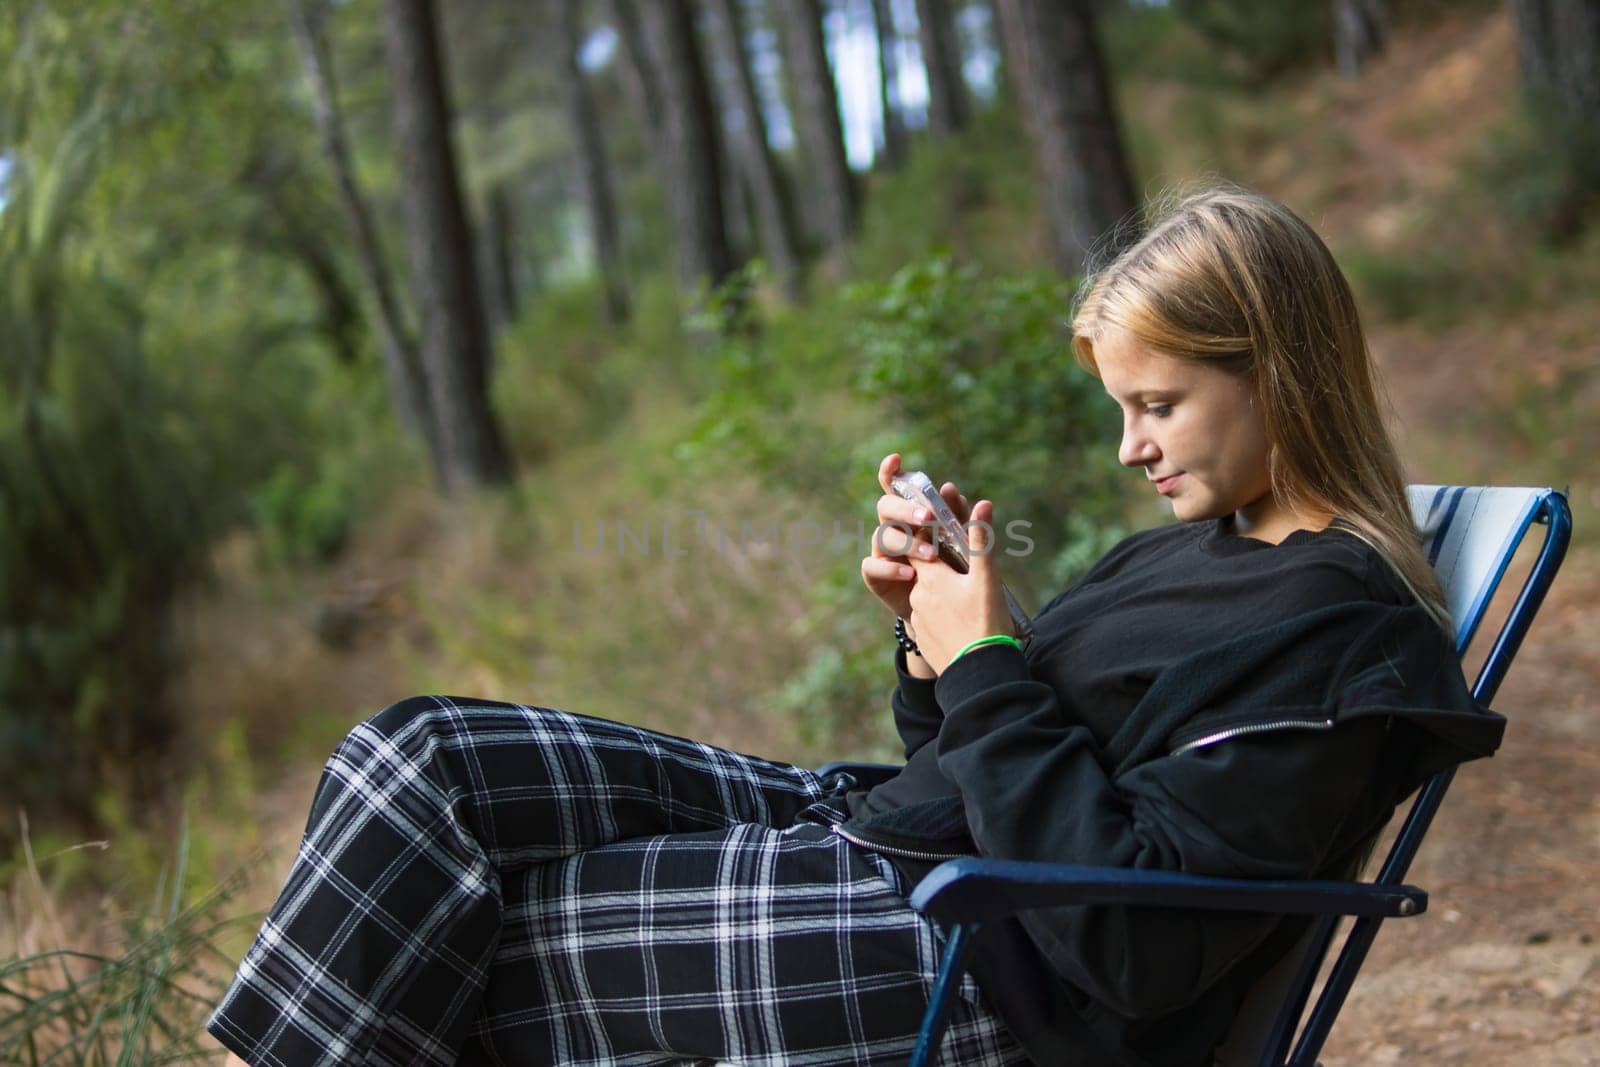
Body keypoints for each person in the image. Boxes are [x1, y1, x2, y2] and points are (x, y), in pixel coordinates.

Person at [209, 184, 1503, 1067]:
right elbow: (988, 745)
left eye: (1157, 404)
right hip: (883, 828)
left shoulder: (1339, 635)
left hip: (976, 950)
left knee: (477, 938)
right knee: (418, 757)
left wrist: (989, 661)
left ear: (1274, 366)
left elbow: (1138, 939)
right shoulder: (1197, 548)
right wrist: (935, 641)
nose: (1130, 448)